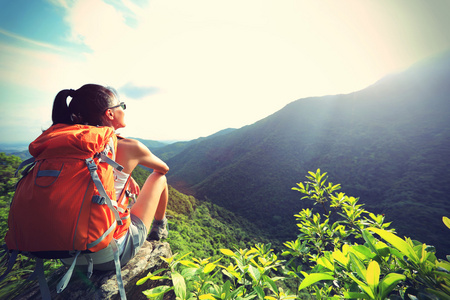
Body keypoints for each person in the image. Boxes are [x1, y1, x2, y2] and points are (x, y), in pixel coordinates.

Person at [51, 83, 169, 265]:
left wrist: (126, 177)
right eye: (121, 105)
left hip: (65, 255)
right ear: (110, 113)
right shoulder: (130, 147)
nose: (124, 109)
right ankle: (160, 226)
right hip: (109, 254)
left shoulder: (60, 144)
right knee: (160, 178)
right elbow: (163, 168)